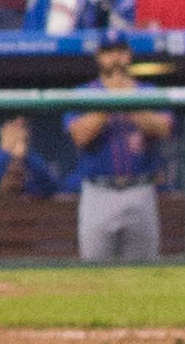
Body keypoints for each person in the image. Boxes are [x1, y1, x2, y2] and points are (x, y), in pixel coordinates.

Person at [65, 32, 171, 263]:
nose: (115, 58)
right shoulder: (83, 93)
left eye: (120, 52)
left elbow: (162, 128)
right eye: (109, 52)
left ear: (129, 55)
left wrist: (128, 100)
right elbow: (80, 135)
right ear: (99, 57)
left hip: (140, 190)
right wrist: (111, 99)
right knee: (95, 271)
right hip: (98, 191)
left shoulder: (148, 92)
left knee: (144, 274)